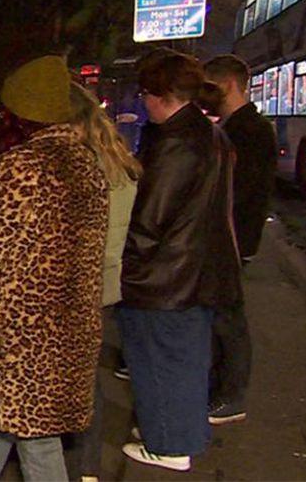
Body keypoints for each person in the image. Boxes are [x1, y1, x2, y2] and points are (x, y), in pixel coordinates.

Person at [0, 56, 109, 481]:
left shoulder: (21, 167)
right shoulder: (88, 165)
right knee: (0, 425)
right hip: (70, 327)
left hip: (23, 332)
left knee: (33, 438)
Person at [118, 49, 240, 471]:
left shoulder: (175, 142)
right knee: (185, 362)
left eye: (145, 94)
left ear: (159, 95)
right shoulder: (210, 134)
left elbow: (151, 219)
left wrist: (126, 267)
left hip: (166, 277)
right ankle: (179, 432)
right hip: (198, 272)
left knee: (159, 362)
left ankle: (168, 444)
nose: (142, 103)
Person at [63, 82, 141, 482]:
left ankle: (76, 466)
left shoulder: (79, 166)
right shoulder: (117, 160)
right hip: (105, 285)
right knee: (86, 376)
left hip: (75, 285)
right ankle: (88, 468)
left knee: (69, 381)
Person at [203, 54, 276, 425]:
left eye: (210, 87)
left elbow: (239, 190)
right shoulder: (241, 125)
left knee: (228, 319)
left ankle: (231, 395)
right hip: (232, 236)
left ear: (228, 84)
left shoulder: (249, 129)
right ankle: (222, 389)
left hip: (233, 238)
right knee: (222, 317)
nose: (206, 95)